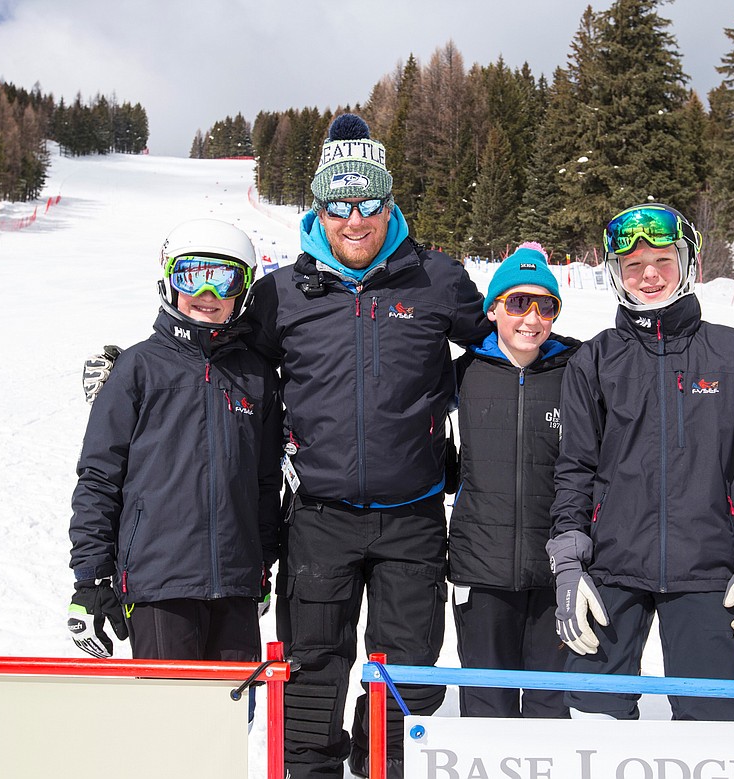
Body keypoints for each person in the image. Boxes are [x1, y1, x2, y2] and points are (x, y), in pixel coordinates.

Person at [246, 113, 493, 779]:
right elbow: (229, 368)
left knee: (406, 669)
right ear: (319, 208)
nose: (356, 220)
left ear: (390, 202)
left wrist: (585, 369)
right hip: (318, 518)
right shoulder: (280, 295)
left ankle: (381, 767)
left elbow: (504, 349)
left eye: (369, 203)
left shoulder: (436, 279)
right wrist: (145, 369)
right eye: (339, 205)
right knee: (312, 668)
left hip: (412, 515)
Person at [548, 203, 734, 721]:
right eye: (632, 266)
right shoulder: (594, 360)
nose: (649, 275)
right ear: (616, 275)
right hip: (611, 569)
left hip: (708, 569)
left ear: (688, 263)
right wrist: (568, 562)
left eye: (662, 259)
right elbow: (574, 470)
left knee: (711, 720)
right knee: (595, 714)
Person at [67, 219, 283, 675]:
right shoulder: (137, 369)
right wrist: (90, 577)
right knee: (170, 720)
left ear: (243, 291)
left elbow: (265, 483)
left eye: (222, 278)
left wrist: (262, 566)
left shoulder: (256, 376)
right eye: (192, 275)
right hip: (159, 582)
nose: (206, 293)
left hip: (237, 583)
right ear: (169, 279)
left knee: (227, 723)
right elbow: (100, 478)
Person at [448, 243, 582, 719]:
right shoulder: (462, 374)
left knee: (551, 704)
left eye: (545, 306)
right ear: (493, 309)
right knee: (487, 704)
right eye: (517, 303)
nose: (531, 318)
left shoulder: (578, 371)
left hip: (556, 569)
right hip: (481, 569)